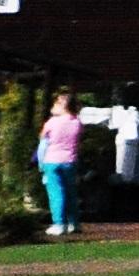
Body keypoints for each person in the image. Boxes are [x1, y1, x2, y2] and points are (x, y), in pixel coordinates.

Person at [34, 90, 84, 239]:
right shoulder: (77, 123)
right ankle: (74, 223)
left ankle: (58, 224)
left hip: (52, 161)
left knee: (56, 193)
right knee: (71, 193)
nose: (54, 105)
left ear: (63, 106)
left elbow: (43, 139)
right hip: (70, 161)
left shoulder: (51, 122)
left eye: (57, 103)